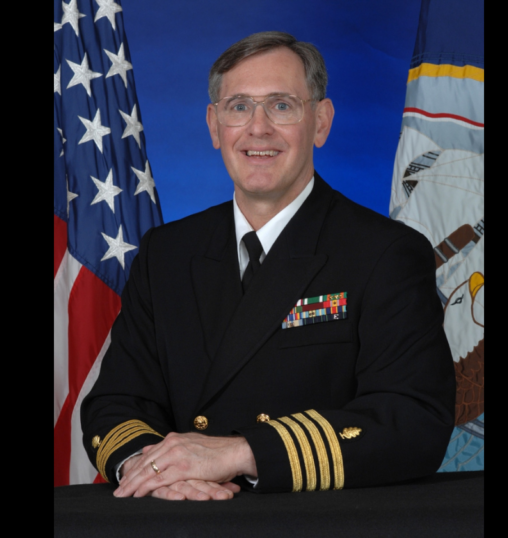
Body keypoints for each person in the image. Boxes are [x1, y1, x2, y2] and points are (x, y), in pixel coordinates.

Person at [81, 31, 456, 501]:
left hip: (313, 525)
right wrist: (154, 467)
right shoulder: (166, 253)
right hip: (183, 520)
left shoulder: (385, 253)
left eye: (281, 106)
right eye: (238, 107)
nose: (258, 128)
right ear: (215, 126)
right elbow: (116, 401)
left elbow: (413, 420)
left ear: (320, 122)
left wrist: (240, 454)